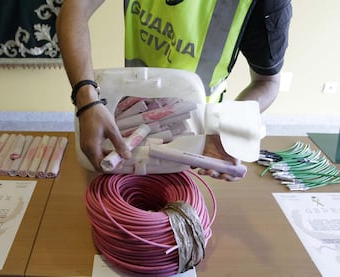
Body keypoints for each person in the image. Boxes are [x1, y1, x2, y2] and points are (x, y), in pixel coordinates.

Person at [56, 0, 292, 181]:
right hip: (128, 121)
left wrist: (226, 128)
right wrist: (86, 99)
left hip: (200, 141)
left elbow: (267, 83)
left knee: (177, 219)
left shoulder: (267, 4)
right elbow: (75, 8)